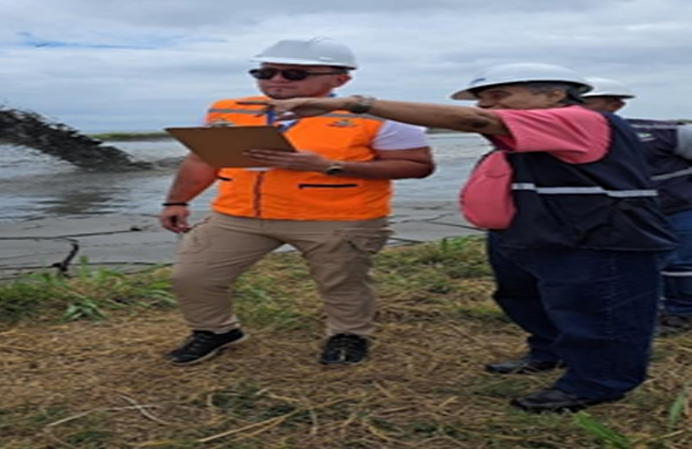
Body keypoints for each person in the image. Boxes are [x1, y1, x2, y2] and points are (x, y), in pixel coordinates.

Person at [252, 63, 677, 413]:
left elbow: (472, 120)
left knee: (599, 309)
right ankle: (549, 350)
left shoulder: (578, 119)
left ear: (553, 94)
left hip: (598, 235)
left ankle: (598, 382)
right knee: (526, 297)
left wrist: (354, 104)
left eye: (500, 95)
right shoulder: (532, 131)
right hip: (533, 231)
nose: (486, 105)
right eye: (482, 96)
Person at [158, 37, 434, 366]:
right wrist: (176, 201)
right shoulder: (228, 109)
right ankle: (215, 331)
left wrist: (330, 166)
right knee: (193, 276)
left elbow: (419, 167)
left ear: (341, 79)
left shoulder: (380, 116)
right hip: (239, 214)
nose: (275, 80)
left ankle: (349, 333)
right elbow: (203, 159)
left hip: (338, 217)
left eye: (294, 74)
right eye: (265, 72)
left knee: (342, 281)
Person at [582, 77, 692, 335]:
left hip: (678, 210)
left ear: (615, 104)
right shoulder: (566, 140)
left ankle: (681, 313)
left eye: (584, 102)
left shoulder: (666, 133)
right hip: (620, 216)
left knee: (679, 263)